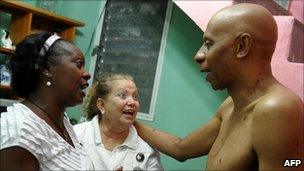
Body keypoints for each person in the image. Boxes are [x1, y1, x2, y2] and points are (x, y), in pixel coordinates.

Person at [134, 3, 303, 171]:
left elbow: (292, 163)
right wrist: (127, 122)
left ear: (242, 46)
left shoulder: (278, 108)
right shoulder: (231, 105)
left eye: (209, 44)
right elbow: (181, 149)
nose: (198, 55)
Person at [0, 32, 94, 170]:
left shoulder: (61, 121)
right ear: (47, 69)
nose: (87, 74)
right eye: (79, 64)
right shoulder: (21, 133)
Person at [73, 73, 163, 170]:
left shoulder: (146, 150)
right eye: (122, 95)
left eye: (135, 97)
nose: (132, 102)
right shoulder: (76, 136)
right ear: (102, 105)